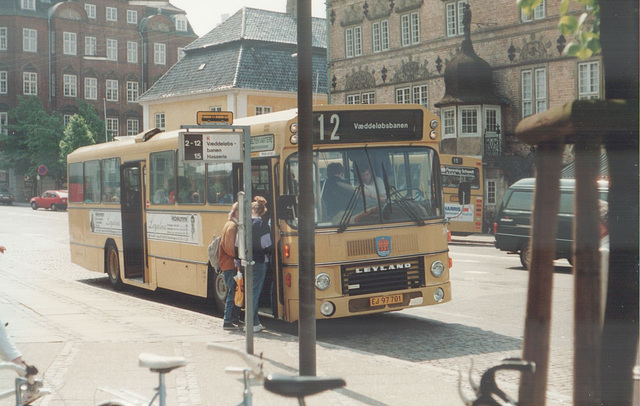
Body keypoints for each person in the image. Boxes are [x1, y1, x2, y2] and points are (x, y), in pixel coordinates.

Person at [250, 196, 272, 332]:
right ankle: (253, 323)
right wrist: (270, 254)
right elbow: (266, 245)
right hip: (260, 260)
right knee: (255, 292)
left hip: (248, 260)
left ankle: (253, 321)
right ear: (263, 211)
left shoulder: (246, 223)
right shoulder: (262, 225)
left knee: (251, 291)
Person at [219, 202, 242, 330]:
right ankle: (227, 320)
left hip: (230, 264)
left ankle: (234, 318)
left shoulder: (231, 224)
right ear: (237, 213)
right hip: (230, 264)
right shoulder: (232, 226)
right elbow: (230, 249)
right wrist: (240, 256)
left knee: (235, 291)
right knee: (232, 292)